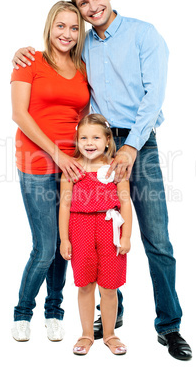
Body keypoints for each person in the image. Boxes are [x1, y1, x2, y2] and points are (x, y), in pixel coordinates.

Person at [12, 0, 192, 361]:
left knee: (156, 237)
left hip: (137, 143)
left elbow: (154, 95)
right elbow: (52, 72)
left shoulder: (145, 35)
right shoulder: (83, 46)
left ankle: (170, 326)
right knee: (95, 228)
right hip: (97, 147)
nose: (93, 8)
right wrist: (20, 54)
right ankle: (112, 315)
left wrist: (129, 148)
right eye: (83, 4)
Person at [10, 0, 90, 342]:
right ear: (50, 26)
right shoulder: (29, 61)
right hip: (37, 164)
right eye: (61, 26)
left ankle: (54, 312)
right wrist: (58, 154)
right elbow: (20, 114)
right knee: (44, 246)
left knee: (64, 245)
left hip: (73, 168)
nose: (67, 34)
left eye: (74, 28)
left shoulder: (83, 68)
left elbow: (85, 118)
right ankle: (22, 313)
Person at [59, 113, 132, 355]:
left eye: (96, 137)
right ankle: (86, 334)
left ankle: (110, 334)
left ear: (108, 140)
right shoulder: (72, 168)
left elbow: (125, 202)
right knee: (86, 284)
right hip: (80, 229)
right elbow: (65, 205)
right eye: (83, 138)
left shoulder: (115, 168)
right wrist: (65, 239)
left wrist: (126, 236)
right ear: (77, 141)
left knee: (109, 287)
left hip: (109, 228)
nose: (89, 143)